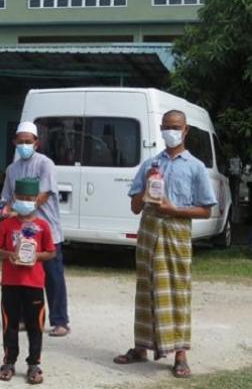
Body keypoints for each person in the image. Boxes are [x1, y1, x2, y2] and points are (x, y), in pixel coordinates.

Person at [114, 110, 216, 379]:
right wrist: (146, 191)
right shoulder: (150, 164)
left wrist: (173, 209)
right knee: (146, 290)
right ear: (161, 129)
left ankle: (180, 353)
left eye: (177, 126)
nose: (172, 131)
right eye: (167, 126)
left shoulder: (195, 167)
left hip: (176, 231)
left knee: (177, 291)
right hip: (149, 229)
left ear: (185, 131)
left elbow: (206, 210)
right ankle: (141, 347)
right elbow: (135, 207)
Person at [0, 121, 70, 337]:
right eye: (20, 142)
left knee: (52, 276)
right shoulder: (12, 169)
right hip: (20, 233)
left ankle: (60, 321)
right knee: (23, 275)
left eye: (28, 142)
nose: (24, 145)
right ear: (14, 143)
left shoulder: (45, 164)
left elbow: (44, 195)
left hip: (45, 230)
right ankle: (23, 318)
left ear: (36, 143)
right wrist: (3, 213)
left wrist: (23, 209)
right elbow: (7, 199)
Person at [0, 177, 55, 384]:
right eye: (21, 198)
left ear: (36, 199)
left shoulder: (43, 226)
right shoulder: (7, 224)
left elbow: (50, 252)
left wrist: (36, 256)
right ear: (15, 198)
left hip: (34, 283)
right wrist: (10, 254)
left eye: (30, 198)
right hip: (10, 282)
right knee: (9, 324)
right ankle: (9, 362)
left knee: (35, 325)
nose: (25, 201)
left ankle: (34, 364)